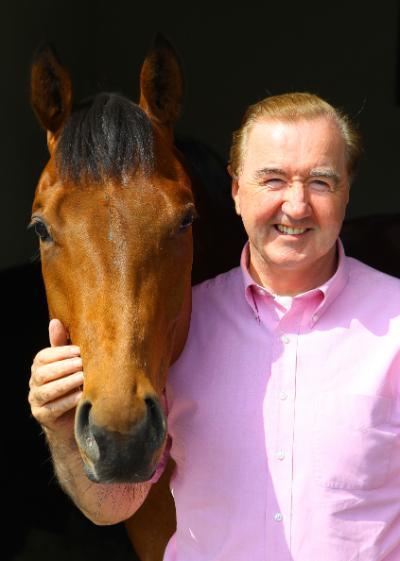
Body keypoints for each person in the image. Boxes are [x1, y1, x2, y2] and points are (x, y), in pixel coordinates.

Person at [29, 92, 400, 560]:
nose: (297, 205)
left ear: (348, 191)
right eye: (272, 180)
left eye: (322, 182)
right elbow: (113, 506)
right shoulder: (180, 330)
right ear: (236, 191)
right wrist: (62, 430)